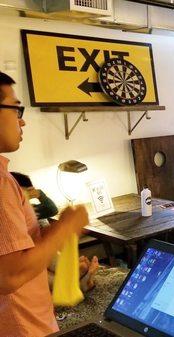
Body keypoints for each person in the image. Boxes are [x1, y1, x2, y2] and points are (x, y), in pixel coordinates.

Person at [0, 71, 89, 337]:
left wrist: (53, 231)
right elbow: (9, 277)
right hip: (22, 326)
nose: (23, 121)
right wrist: (66, 228)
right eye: (16, 110)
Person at [10, 172, 100, 292]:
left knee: (50, 256)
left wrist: (39, 194)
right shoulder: (9, 216)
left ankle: (75, 274)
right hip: (27, 257)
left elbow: (51, 209)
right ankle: (78, 280)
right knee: (42, 268)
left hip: (38, 249)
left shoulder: (33, 209)